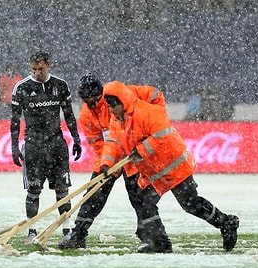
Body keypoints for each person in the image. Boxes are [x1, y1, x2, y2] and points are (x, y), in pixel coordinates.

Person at [99, 80, 239, 253]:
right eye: (109, 106)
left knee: (190, 205)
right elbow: (113, 142)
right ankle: (159, 241)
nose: (111, 111)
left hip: (174, 166)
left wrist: (141, 150)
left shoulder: (147, 112)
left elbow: (162, 136)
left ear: (123, 101)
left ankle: (226, 222)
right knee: (144, 201)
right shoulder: (117, 121)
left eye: (114, 106)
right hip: (153, 171)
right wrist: (106, 164)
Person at [60, 73, 167, 249]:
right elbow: (97, 143)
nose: (91, 104)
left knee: (138, 198)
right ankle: (79, 234)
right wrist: (108, 165)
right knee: (93, 196)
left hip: (134, 158)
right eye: (86, 101)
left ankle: (147, 235)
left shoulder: (123, 94)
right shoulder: (86, 115)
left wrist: (156, 118)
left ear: (100, 93)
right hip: (108, 160)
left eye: (94, 100)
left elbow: (155, 95)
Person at [10, 50, 82, 244]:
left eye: (40, 69)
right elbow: (15, 120)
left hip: (57, 144)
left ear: (48, 64)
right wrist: (15, 147)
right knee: (33, 190)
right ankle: (31, 231)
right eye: (33, 69)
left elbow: (69, 114)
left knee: (62, 190)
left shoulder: (60, 85)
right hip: (34, 145)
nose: (36, 73)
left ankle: (66, 231)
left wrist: (76, 138)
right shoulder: (22, 88)